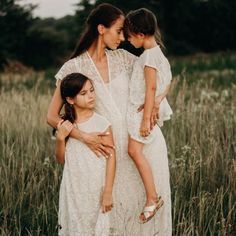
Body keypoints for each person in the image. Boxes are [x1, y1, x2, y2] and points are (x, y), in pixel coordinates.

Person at [47, 3, 172, 235]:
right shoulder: (73, 67)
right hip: (107, 151)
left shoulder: (125, 58)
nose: (123, 37)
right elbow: (52, 117)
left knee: (142, 217)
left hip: (140, 145)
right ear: (101, 29)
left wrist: (156, 101)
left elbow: (160, 76)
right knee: (111, 219)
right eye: (118, 30)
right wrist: (84, 137)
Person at [124, 8, 173, 223]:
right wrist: (157, 102)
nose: (126, 39)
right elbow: (168, 82)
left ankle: (152, 197)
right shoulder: (158, 52)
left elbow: (151, 88)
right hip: (145, 109)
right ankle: (152, 196)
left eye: (128, 35)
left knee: (134, 151)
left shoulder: (148, 57)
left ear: (140, 34)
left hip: (141, 115)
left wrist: (146, 118)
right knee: (135, 151)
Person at [55, 73, 116, 235]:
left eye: (91, 90)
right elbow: (61, 160)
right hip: (74, 187)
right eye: (83, 93)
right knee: (76, 227)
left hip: (96, 185)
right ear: (70, 99)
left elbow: (111, 157)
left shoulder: (102, 123)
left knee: (96, 228)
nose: (90, 96)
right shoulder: (67, 125)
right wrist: (60, 138)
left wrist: (108, 191)